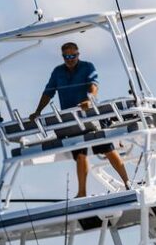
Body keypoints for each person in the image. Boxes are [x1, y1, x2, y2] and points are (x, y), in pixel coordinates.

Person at [28, 42, 130, 197]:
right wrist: (37, 111)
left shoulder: (88, 67)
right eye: (67, 56)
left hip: (89, 116)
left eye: (73, 56)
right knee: (80, 153)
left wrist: (90, 99)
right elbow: (48, 92)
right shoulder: (58, 72)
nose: (70, 59)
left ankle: (127, 182)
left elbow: (93, 85)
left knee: (107, 148)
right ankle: (82, 192)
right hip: (70, 121)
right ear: (63, 57)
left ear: (78, 54)